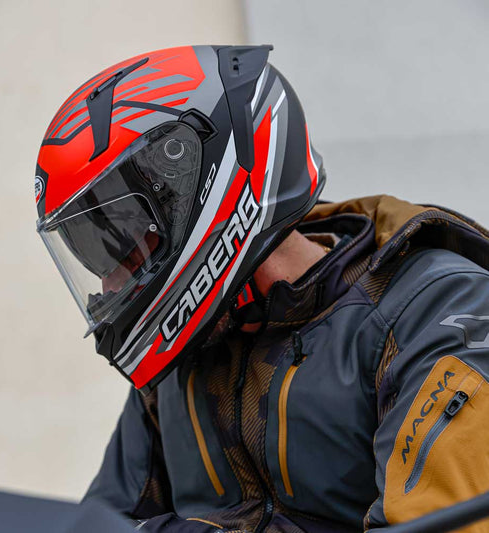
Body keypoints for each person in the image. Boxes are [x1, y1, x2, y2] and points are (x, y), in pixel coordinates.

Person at [35, 45, 489, 532]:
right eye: (93, 253)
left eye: (118, 243)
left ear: (197, 187)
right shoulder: (182, 355)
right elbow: (100, 520)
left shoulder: (440, 315)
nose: (108, 283)